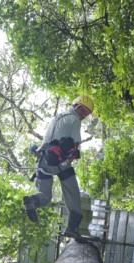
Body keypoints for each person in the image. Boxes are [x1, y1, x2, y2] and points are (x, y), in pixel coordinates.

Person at [23, 95, 94, 240]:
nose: (84, 116)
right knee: (72, 192)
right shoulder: (74, 120)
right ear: (77, 107)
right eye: (83, 112)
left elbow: (44, 143)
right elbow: (75, 145)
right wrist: (66, 163)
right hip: (58, 162)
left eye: (86, 114)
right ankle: (72, 228)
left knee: (44, 196)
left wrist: (37, 153)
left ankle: (32, 200)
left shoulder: (56, 118)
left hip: (42, 160)